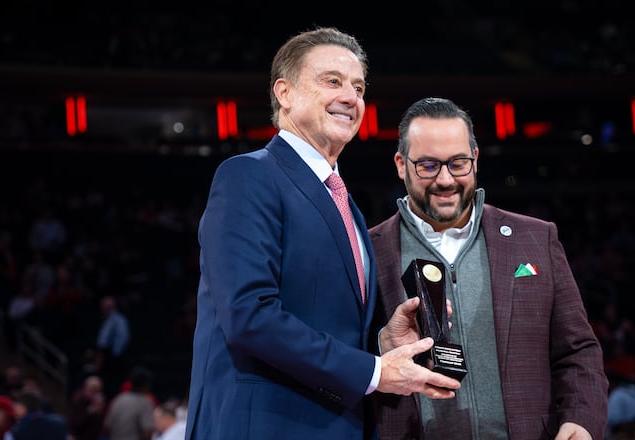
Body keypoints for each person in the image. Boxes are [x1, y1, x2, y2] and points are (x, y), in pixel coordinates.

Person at [183, 27, 461, 440]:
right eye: (332, 81)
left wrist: (384, 341)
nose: (351, 97)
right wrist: (374, 371)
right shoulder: (249, 175)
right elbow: (249, 315)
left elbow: (328, 325)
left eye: (358, 86)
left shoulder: (346, 204)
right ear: (285, 93)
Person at [368, 97, 609, 439]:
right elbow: (339, 360)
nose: (445, 180)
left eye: (458, 163)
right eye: (428, 165)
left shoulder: (537, 239)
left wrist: (580, 419)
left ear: (475, 160)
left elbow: (578, 352)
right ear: (400, 164)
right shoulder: (366, 251)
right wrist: (381, 346)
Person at [3, 390, 68, 440]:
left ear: (22, 408)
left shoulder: (15, 432)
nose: (14, 411)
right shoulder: (60, 422)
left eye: (16, 407)